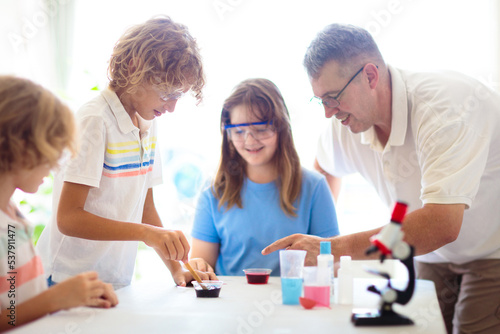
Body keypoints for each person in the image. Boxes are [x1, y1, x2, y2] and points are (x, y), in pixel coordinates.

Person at [262, 23, 500, 333]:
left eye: (333, 98)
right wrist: (320, 249)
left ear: (371, 76)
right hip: (432, 253)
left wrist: (330, 247)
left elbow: (441, 224)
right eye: (321, 100)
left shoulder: (446, 110)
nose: (327, 113)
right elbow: (325, 168)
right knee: (417, 329)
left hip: (492, 250)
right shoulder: (345, 122)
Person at [36, 16, 217, 290]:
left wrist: (178, 270)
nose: (171, 108)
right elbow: (68, 218)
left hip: (113, 279)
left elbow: (145, 208)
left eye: (178, 95)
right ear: (134, 69)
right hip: (65, 279)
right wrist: (148, 234)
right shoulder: (95, 121)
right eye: (167, 92)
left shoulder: (147, 123)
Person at [0, 76, 118, 331]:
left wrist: (75, 296)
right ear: (21, 146)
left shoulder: (12, 216)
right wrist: (54, 299)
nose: (56, 164)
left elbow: (15, 305)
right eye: (52, 148)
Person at [188, 78, 339, 276]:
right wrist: (197, 267)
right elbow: (201, 265)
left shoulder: (314, 187)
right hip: (230, 303)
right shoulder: (213, 190)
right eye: (239, 131)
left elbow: (330, 263)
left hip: (292, 300)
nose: (249, 140)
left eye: (260, 129)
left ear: (281, 128)